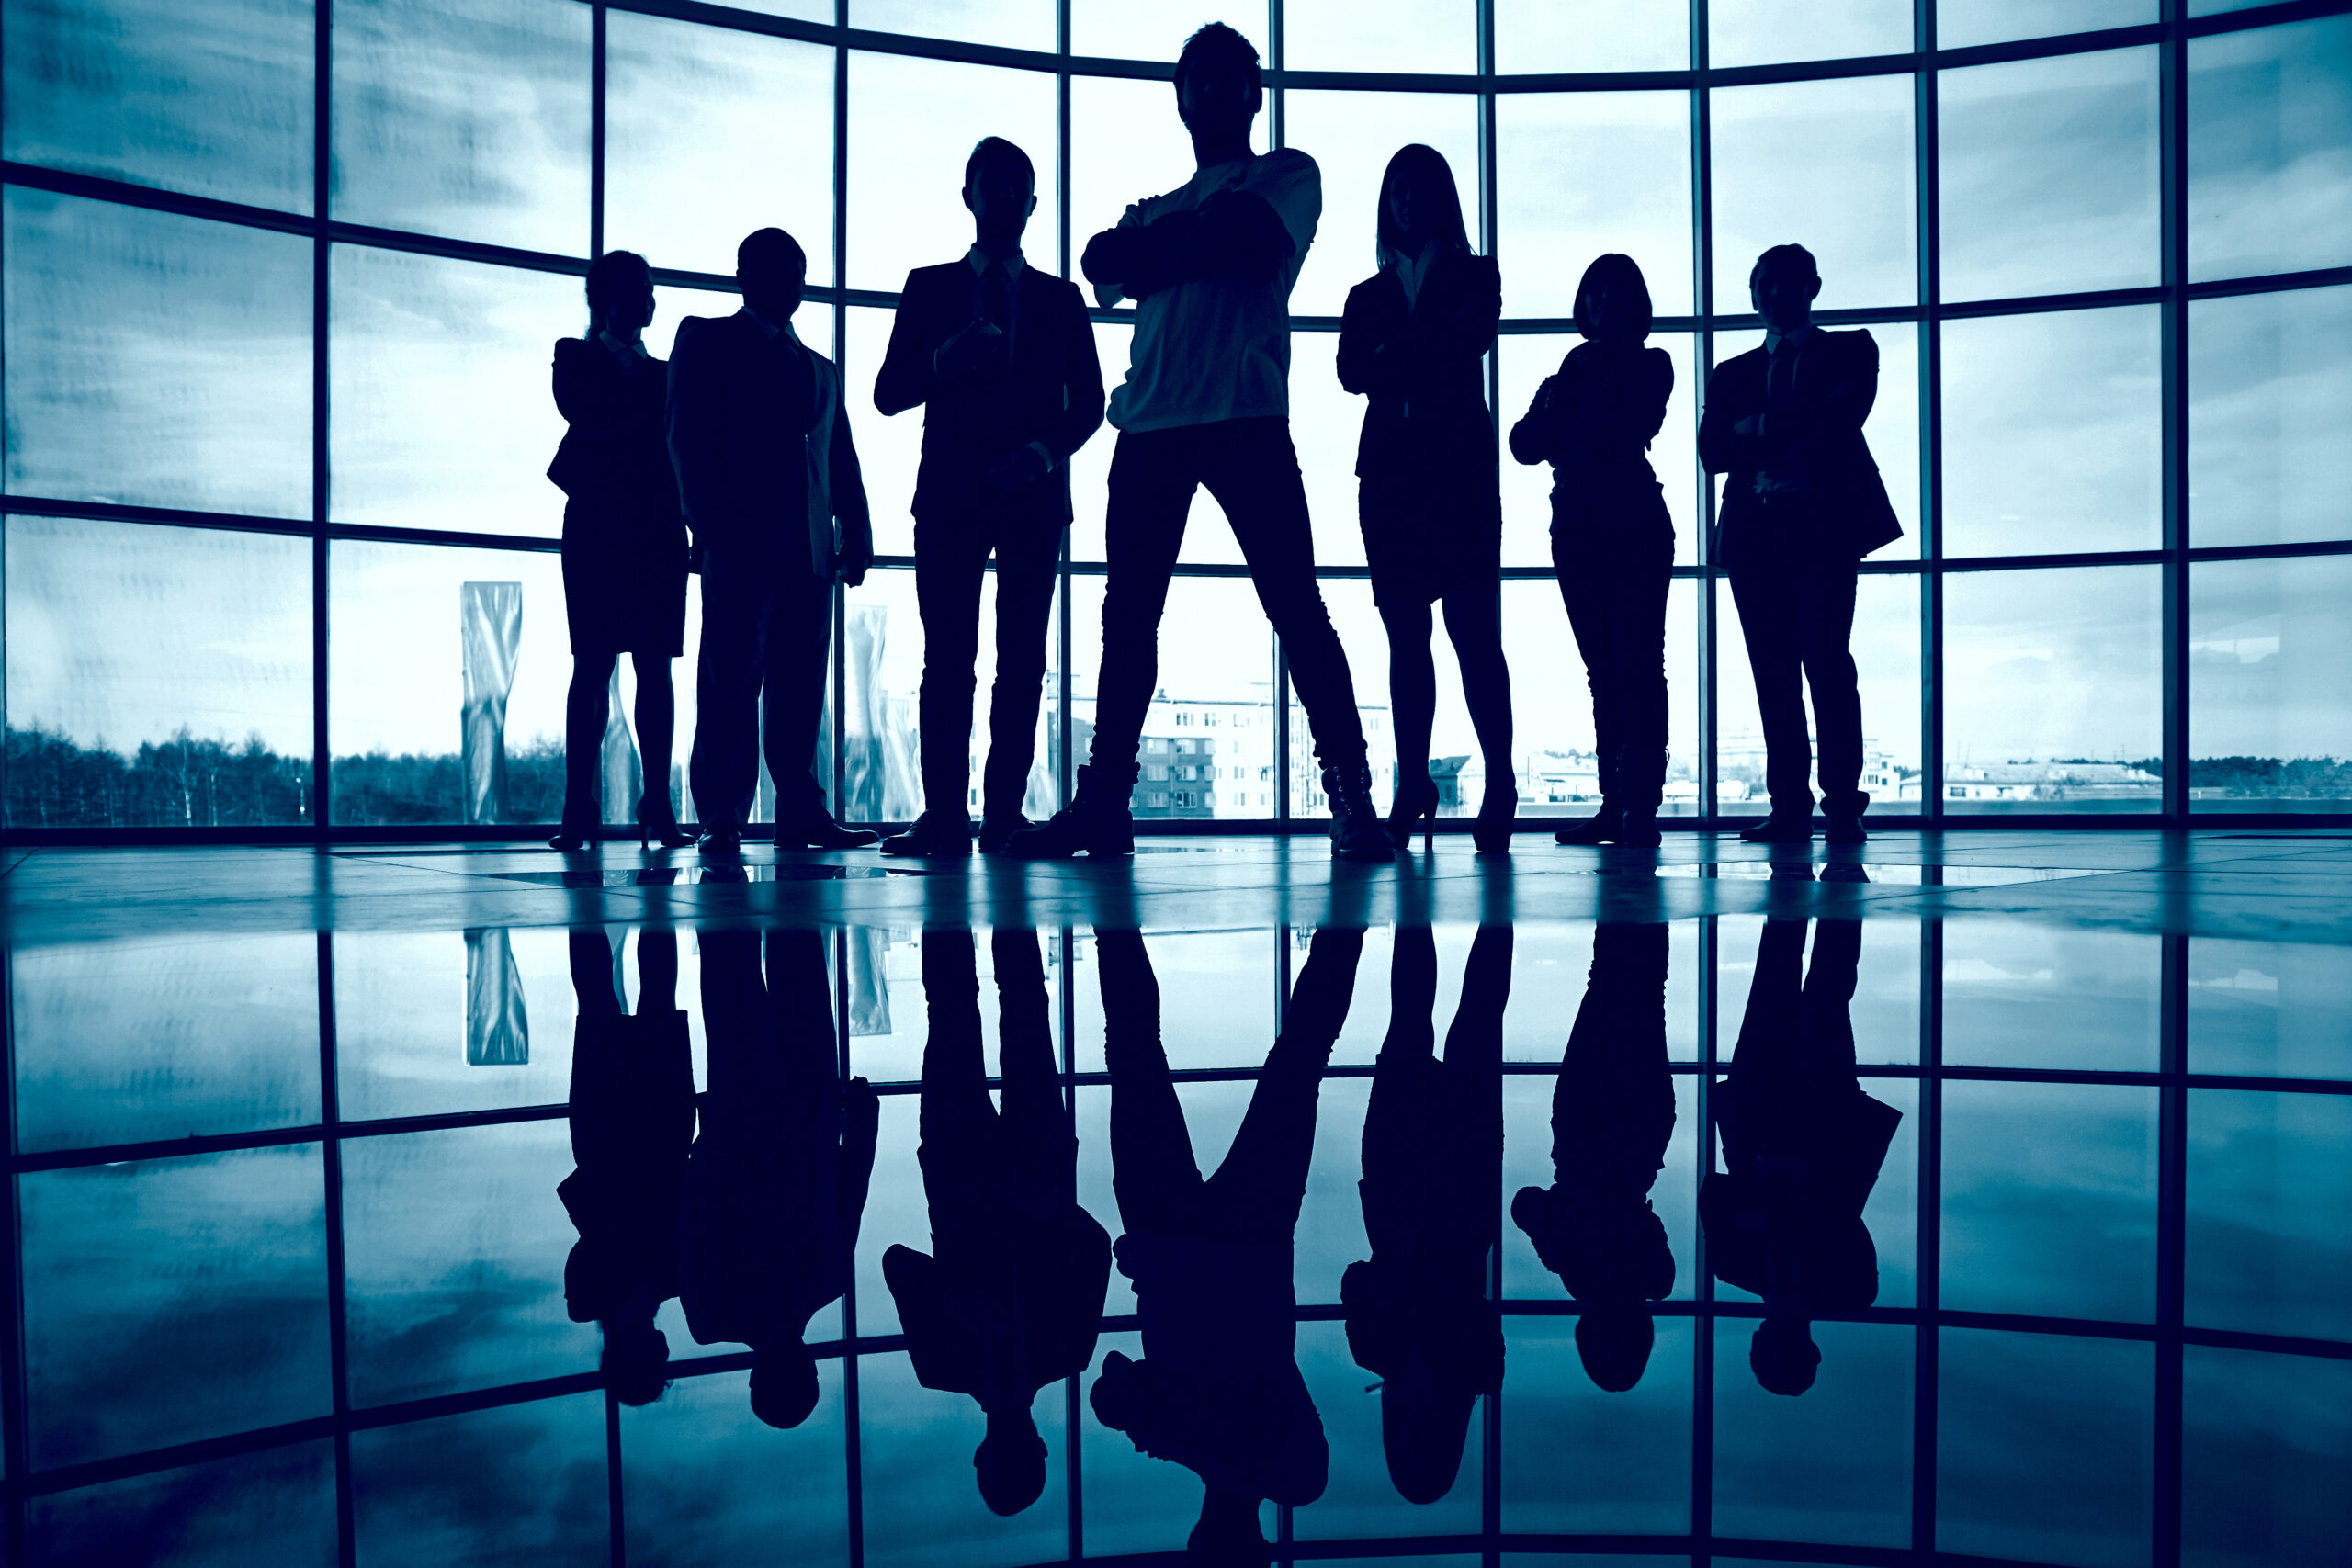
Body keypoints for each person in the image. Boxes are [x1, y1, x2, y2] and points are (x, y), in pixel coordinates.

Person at [1006, 23, 1389, 863]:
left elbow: (1237, 242)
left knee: (1295, 608)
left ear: (1255, 93)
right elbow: (1102, 259)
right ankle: (1106, 802)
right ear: (1180, 98)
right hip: (1149, 426)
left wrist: (1162, 255)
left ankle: (1352, 798)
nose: (1214, 91)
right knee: (1129, 622)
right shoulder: (1159, 207)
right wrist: (1191, 240)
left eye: (1230, 78)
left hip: (1244, 417)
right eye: (1199, 79)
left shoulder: (1288, 174)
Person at [1088, 922, 1363, 1566]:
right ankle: (1110, 901)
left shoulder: (1293, 1474)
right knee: (1135, 1051)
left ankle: (1349, 918)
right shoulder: (1181, 1440)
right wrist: (1172, 1415)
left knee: (1298, 1059)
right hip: (1174, 1245)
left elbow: (1257, 1420)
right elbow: (1117, 1386)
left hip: (1249, 1249)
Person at [874, 138, 1106, 858]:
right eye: (993, 184)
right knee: (947, 656)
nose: (1006, 196)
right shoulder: (926, 287)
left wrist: (1039, 457)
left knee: (1023, 659)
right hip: (948, 497)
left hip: (1031, 499)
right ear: (968, 195)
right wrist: (944, 359)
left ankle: (1001, 814)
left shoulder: (1063, 300)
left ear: (1034, 205)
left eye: (1019, 187)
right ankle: (945, 814)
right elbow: (887, 392)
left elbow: (1091, 403)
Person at [882, 929, 1113, 1515]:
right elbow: (900, 1265)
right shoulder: (940, 1363)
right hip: (964, 1168)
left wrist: (1046, 1206)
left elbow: (1093, 1248)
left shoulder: (1067, 1352)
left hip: (1024, 1163)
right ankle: (950, 881)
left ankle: (987, 883)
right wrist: (952, 1294)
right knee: (964, 1010)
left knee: (1017, 1008)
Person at [668, 227, 879, 857]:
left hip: (809, 552)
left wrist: (857, 526)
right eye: (774, 270)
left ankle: (800, 812)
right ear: (743, 275)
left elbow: (839, 456)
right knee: (730, 680)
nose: (789, 282)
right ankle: (722, 815)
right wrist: (710, 527)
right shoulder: (706, 339)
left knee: (799, 687)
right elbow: (686, 440)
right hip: (739, 544)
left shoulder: (822, 369)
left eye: (797, 272)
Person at [1336, 147, 1513, 855]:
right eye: (1396, 189)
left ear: (1443, 197)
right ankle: (1413, 781)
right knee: (1407, 639)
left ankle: (1499, 776)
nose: (1406, 199)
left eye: (1420, 188)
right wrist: (1418, 349)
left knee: (1473, 635)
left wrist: (1394, 356)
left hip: (1459, 479)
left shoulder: (1478, 273)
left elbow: (1464, 339)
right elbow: (1352, 372)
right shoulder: (1364, 295)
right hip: (1389, 483)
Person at [1698, 243, 1903, 845]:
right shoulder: (1731, 371)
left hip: (1823, 533)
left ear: (1813, 286)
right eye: (1766, 284)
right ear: (1755, 293)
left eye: (1789, 283)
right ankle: (1791, 804)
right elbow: (1712, 455)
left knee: (1827, 664)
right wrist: (1796, 425)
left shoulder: (1852, 349)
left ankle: (1841, 805)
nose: (1777, 294)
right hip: (1755, 536)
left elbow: (1842, 421)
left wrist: (1754, 426)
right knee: (1776, 673)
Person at [678, 927, 878, 1427]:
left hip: (803, 1108)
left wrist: (861, 1125)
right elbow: (692, 1215)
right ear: (753, 1378)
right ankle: (724, 868)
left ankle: (783, 855)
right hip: (745, 1113)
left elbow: (848, 1193)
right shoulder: (710, 1313)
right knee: (733, 974)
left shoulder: (828, 1283)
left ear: (809, 1370)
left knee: (796, 964)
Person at [1510, 254, 1676, 849]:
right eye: (1595, 294)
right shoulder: (1567, 373)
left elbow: (1624, 428)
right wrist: (1580, 429)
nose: (1603, 303)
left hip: (1630, 522)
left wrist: (1567, 427)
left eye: (1615, 294)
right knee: (1604, 671)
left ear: (1635, 305)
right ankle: (1619, 804)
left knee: (1635, 665)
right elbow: (1523, 443)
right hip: (1578, 526)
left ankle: (1639, 806)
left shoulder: (1652, 363)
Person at [1340, 924, 1510, 1505]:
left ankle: (1468, 897)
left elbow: (1360, 1281)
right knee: (1437, 1023)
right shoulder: (1379, 1354)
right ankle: (1432, 893)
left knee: (1447, 1024)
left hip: (1440, 1194)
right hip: (1411, 1193)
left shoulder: (1476, 1374)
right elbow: (1361, 1280)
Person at [1701, 918, 1900, 1395]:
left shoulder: (1848, 1289)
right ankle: (1798, 880)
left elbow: (1836, 1221)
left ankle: (1833, 882)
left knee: (1816, 987)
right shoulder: (1733, 1263)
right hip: (1777, 1112)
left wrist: (1789, 1198)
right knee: (1786, 981)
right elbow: (1718, 1194)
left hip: (1814, 1114)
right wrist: (1766, 1201)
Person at [546, 251, 693, 851]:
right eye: (638, 289)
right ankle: (579, 807)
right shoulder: (575, 356)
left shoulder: (666, 374)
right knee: (594, 664)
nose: (649, 300)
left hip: (654, 529)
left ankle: (654, 804)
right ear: (602, 298)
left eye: (652, 289)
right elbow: (585, 412)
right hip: (601, 530)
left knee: (654, 668)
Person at [1510, 921, 1677, 1392]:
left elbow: (1530, 1208)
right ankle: (1624, 882)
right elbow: (1526, 1205)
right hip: (1583, 1133)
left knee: (1643, 997)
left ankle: (1641, 883)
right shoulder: (1577, 1272)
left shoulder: (1654, 1280)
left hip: (1639, 1140)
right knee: (1607, 987)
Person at [556, 927, 695, 1405]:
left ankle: (649, 895)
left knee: (650, 998)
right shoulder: (589, 1296)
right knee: (598, 1004)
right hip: (605, 1143)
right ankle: (589, 903)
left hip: (658, 1137)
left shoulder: (678, 1277)